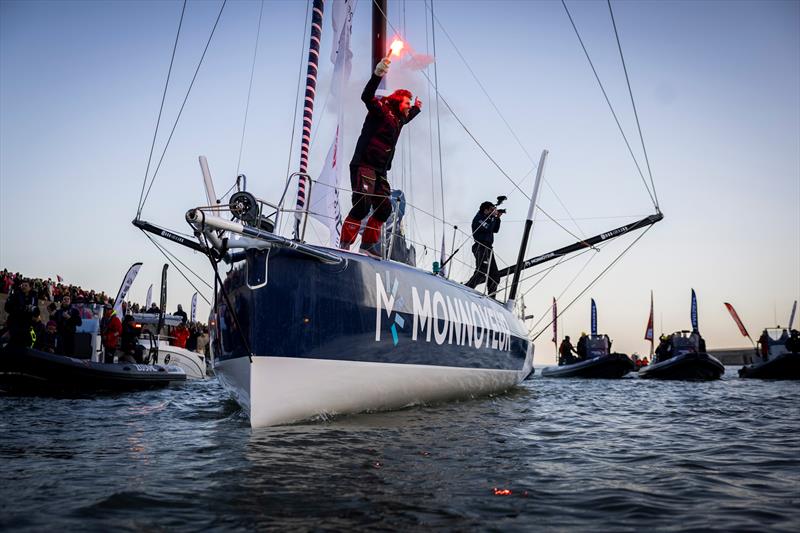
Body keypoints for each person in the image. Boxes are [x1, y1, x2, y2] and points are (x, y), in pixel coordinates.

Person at [338, 56, 422, 257]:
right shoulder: (382, 109)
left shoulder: (399, 120)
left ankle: (367, 245)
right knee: (362, 204)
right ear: (397, 100)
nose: (408, 106)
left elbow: (408, 117)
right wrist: (378, 74)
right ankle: (344, 243)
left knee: (384, 209)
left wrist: (417, 107)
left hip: (381, 171)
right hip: (364, 164)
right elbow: (366, 96)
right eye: (407, 102)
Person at [464, 201, 503, 296]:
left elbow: (495, 230)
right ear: (485, 210)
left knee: (495, 276)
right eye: (491, 210)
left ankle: (491, 297)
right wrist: (493, 217)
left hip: (488, 248)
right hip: (480, 246)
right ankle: (467, 288)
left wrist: (497, 218)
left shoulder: (488, 218)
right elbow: (489, 228)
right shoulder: (479, 218)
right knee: (482, 271)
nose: (493, 211)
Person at [3, 279, 38, 349]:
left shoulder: (34, 297)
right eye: (22, 285)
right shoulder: (15, 295)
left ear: (30, 287)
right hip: (15, 324)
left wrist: (33, 309)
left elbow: (36, 313)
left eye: (26, 285)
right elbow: (7, 308)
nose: (23, 287)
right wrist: (22, 308)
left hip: (26, 327)